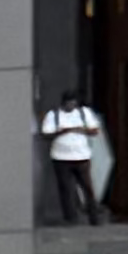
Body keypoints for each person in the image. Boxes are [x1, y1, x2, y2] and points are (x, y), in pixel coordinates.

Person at [41, 91, 111, 223]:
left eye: (73, 103)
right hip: (61, 158)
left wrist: (80, 130)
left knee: (88, 188)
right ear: (63, 103)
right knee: (66, 188)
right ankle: (70, 217)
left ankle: (94, 216)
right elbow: (46, 134)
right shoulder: (54, 115)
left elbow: (94, 130)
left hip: (82, 157)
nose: (71, 106)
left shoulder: (84, 113)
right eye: (68, 103)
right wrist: (64, 131)